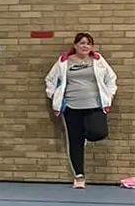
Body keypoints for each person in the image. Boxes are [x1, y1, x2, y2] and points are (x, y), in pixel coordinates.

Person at [45, 32, 116, 188]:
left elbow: (111, 79)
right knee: (75, 141)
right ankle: (79, 176)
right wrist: (55, 96)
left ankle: (84, 133)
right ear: (75, 45)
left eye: (88, 44)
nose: (85, 46)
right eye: (82, 43)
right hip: (71, 107)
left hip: (94, 105)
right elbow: (50, 80)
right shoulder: (64, 61)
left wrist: (108, 95)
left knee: (99, 132)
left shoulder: (97, 60)